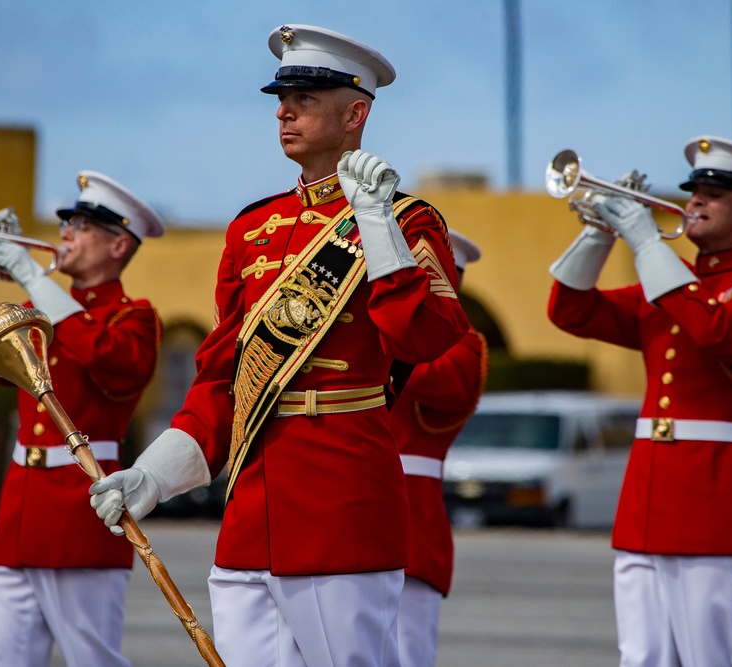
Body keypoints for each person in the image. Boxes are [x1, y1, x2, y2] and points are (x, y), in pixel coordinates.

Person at [89, 24, 470, 667]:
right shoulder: (252, 227)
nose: (283, 109)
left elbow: (427, 335)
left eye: (306, 96)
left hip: (340, 511)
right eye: (281, 95)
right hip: (248, 519)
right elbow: (223, 382)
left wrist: (374, 219)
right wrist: (152, 475)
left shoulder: (407, 221)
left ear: (356, 112)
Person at [0, 172, 164, 667]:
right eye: (67, 222)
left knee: (92, 660)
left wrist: (30, 274)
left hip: (83, 517)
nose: (66, 233)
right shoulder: (40, 314)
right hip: (18, 515)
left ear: (119, 244)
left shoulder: (132, 318)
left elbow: (104, 354)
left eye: (82, 225)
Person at [548, 135, 732, 667]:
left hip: (716, 508)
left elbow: (717, 331)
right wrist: (599, 235)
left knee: (712, 657)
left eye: (715, 192)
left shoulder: (683, 288)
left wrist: (646, 242)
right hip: (645, 508)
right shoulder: (675, 287)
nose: (695, 200)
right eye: (693, 190)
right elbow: (570, 310)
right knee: (643, 658)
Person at [387, 230, 488, 667]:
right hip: (346, 512)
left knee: (408, 655)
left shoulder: (464, 346)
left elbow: (420, 375)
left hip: (411, 523)